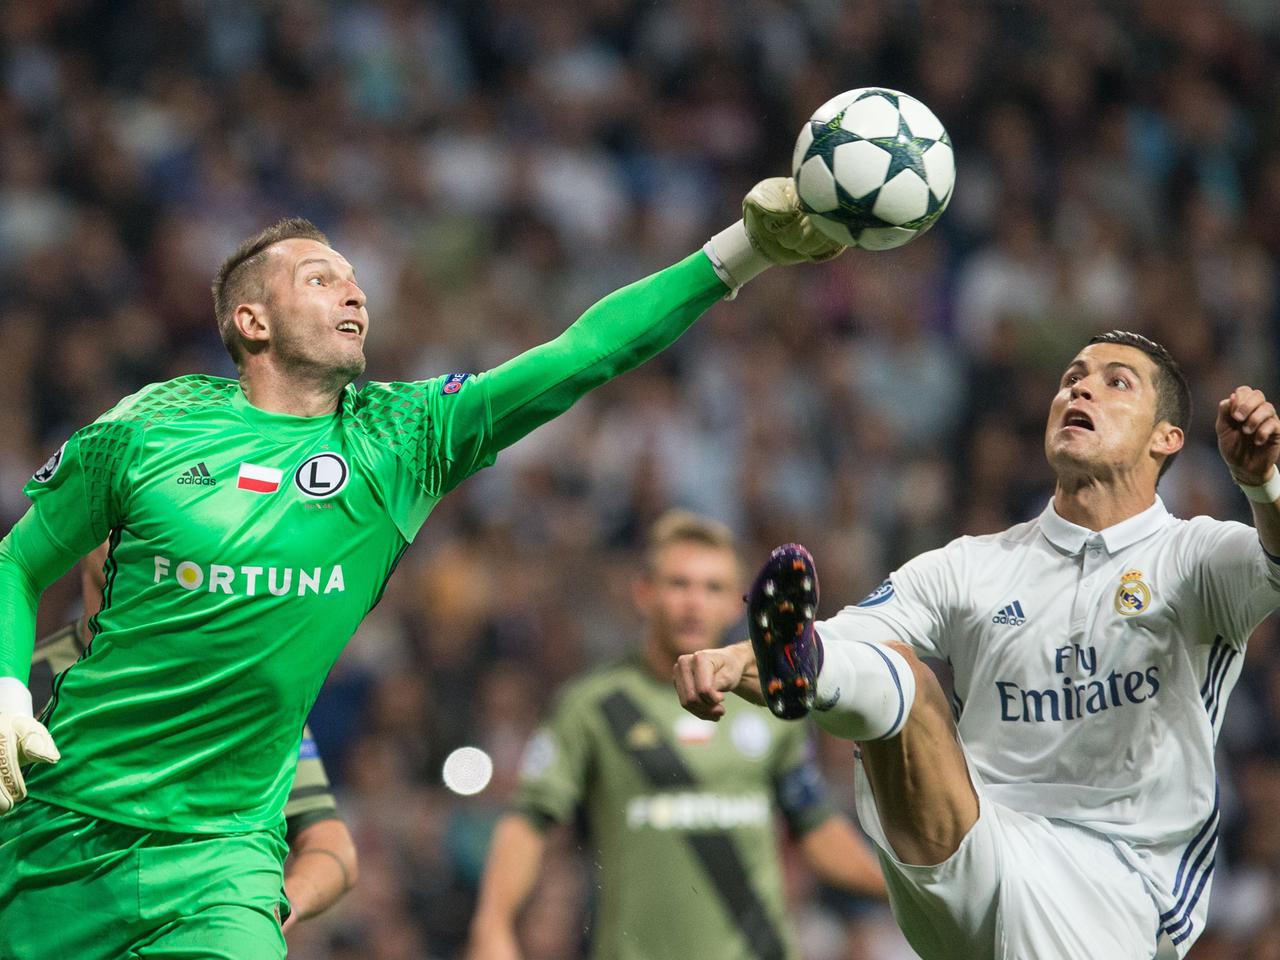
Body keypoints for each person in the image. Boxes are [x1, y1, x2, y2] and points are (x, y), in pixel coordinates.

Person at [0, 176, 842, 960]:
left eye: (355, 278)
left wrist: (742, 251)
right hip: (64, 829)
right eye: (320, 278)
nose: (354, 291)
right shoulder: (154, 426)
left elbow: (581, 354)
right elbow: (20, 562)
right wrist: (6, 686)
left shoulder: (400, 441)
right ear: (252, 322)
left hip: (225, 860)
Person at [675, 331, 1280, 959]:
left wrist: (1262, 486)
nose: (1080, 386)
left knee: (895, 677)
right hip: (970, 847)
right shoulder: (975, 566)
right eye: (1073, 375)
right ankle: (807, 681)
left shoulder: (1197, 557)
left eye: (1115, 381)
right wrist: (732, 660)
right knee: (898, 676)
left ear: (1166, 438)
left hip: (1117, 886)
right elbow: (836, 639)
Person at [467, 510, 884, 960]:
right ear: (644, 593)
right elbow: (529, 820)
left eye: (713, 588)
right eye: (679, 584)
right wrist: (492, 923)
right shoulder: (592, 706)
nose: (694, 602)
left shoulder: (767, 701)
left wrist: (911, 892)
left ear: (735, 603)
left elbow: (814, 827)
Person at [24, 544, 357, 932]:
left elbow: (332, 848)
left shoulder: (232, 686)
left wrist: (269, 913)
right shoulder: (21, 690)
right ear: (81, 531)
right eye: (113, 518)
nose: (128, 533)